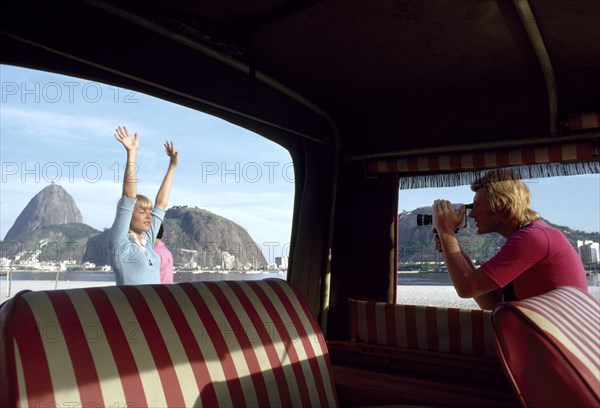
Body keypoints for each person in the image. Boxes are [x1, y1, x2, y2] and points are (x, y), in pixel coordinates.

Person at [433, 169, 587, 310]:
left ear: (499, 205)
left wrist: (446, 232)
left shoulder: (533, 238)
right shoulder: (531, 234)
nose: (472, 214)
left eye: (476, 205)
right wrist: (452, 245)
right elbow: (491, 303)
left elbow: (467, 288)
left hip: (557, 338)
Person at [108, 126, 178, 285]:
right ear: (128, 215)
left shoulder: (148, 241)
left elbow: (161, 204)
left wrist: (172, 166)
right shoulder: (120, 242)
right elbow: (129, 196)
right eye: (142, 211)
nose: (149, 216)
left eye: (149, 211)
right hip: (129, 309)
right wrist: (132, 154)